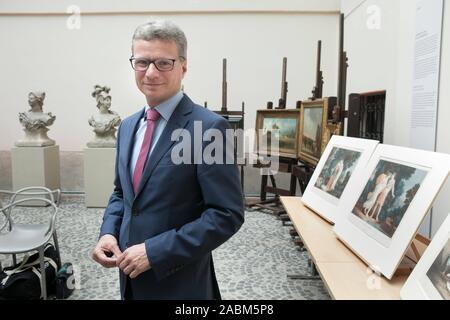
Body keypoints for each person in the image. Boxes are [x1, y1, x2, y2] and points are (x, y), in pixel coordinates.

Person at [91, 20, 244, 300]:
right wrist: (108, 233)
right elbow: (122, 194)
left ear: (183, 67)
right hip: (130, 279)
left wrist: (154, 252)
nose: (150, 72)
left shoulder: (208, 128)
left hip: (180, 283)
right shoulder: (127, 127)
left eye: (163, 63)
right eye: (142, 62)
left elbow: (226, 215)